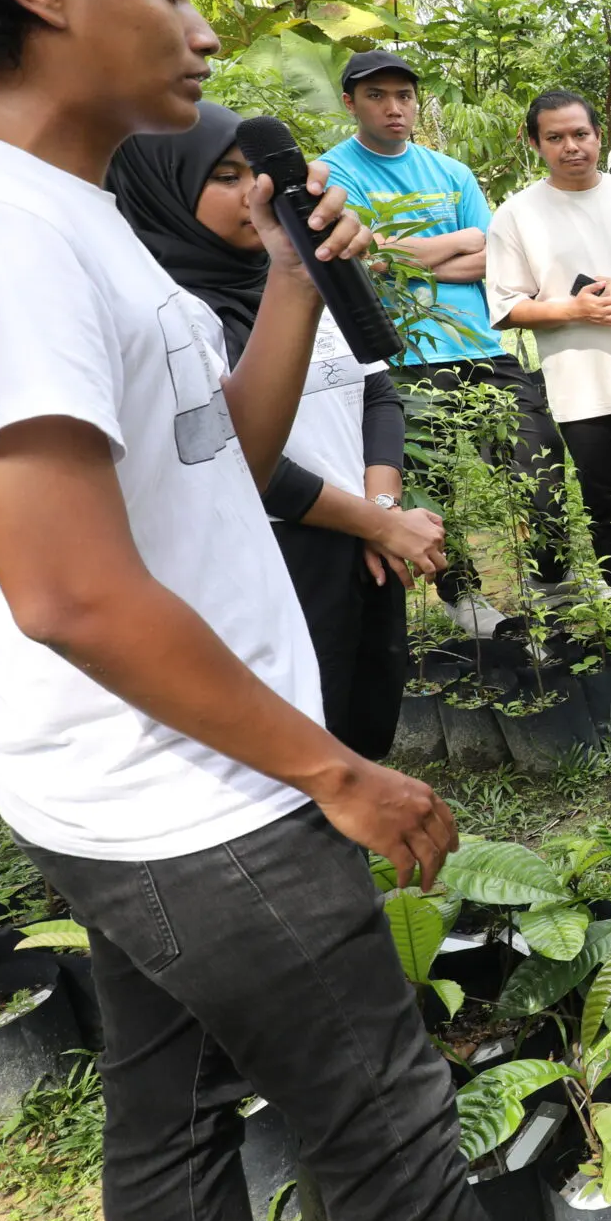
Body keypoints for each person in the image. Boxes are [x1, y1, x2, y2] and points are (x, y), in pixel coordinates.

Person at [0, 0, 586, 1221]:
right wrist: (330, 766)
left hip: (137, 785)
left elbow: (220, 450)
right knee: (391, 1128)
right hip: (195, 795)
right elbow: (69, 587)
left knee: (174, 1102)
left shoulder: (61, 202)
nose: (207, 32)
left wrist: (293, 275)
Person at [114, 102, 447, 757]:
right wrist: (377, 524)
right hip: (277, 551)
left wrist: (380, 507)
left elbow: (376, 392)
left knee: (363, 720)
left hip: (361, 537)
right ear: (166, 188)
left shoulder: (297, 277)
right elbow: (230, 454)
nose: (254, 195)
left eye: (255, 174)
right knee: (300, 741)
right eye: (224, 177)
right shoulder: (170, 315)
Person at [322, 48, 570, 635]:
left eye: (403, 96)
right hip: (402, 353)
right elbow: (365, 259)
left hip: (481, 345)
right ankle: (465, 600)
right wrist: (451, 241)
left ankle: (553, 583)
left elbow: (491, 256)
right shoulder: (334, 173)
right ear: (350, 102)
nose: (393, 108)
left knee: (539, 460)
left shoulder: (450, 173)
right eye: (377, 96)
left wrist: (407, 255)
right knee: (435, 483)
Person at [487, 88, 611, 617]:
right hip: (582, 386)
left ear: (599, 136)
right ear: (535, 143)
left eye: (580, 134)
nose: (571, 146)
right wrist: (574, 309)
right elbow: (507, 308)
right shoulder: (516, 215)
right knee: (606, 503)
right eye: (555, 137)